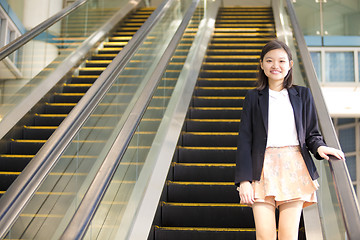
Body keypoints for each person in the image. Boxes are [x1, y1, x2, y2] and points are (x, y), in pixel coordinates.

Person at [234, 39, 345, 240]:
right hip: (262, 169)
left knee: (288, 236)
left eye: (281, 61)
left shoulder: (302, 94)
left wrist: (320, 148)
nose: (275, 66)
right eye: (269, 61)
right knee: (264, 236)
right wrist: (244, 180)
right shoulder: (253, 97)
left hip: (294, 166)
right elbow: (245, 140)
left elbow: (311, 133)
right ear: (261, 64)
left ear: (290, 65)